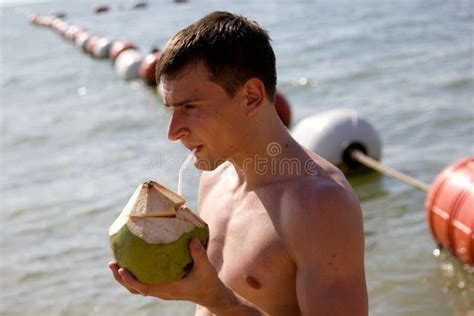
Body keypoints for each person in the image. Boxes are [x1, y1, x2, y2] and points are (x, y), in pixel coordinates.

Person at [109, 11, 368, 315]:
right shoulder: (214, 177)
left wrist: (217, 299)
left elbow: (215, 300)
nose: (173, 132)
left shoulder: (319, 204)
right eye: (172, 110)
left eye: (189, 107)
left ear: (251, 96)